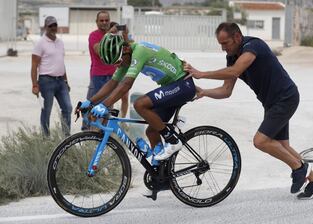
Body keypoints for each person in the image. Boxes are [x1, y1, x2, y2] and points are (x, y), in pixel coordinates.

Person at [184, 22, 313, 199]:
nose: (223, 48)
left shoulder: (253, 45)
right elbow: (226, 91)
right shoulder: (231, 58)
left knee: (260, 141)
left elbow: (235, 71)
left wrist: (202, 73)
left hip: (285, 98)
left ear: (237, 37)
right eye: (220, 44)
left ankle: (300, 168)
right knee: (282, 145)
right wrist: (204, 92)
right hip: (271, 103)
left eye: (225, 43)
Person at [79, 28, 196, 161]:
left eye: (119, 61)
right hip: (172, 87)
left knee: (140, 104)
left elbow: (126, 84)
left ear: (126, 49)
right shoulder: (125, 56)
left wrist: (104, 105)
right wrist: (90, 102)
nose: (119, 65)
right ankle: (160, 172)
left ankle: (173, 140)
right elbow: (112, 83)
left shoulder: (140, 51)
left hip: (182, 84)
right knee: (151, 132)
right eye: (116, 63)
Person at [83, 11, 129, 131]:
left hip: (113, 75)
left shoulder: (115, 36)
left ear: (109, 21)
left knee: (107, 107)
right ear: (96, 22)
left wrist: (125, 36)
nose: (104, 23)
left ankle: (101, 134)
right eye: (101, 20)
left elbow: (125, 52)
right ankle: (88, 132)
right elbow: (99, 50)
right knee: (94, 106)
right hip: (98, 75)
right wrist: (109, 33)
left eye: (106, 20)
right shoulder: (94, 35)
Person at [31, 16, 72, 137]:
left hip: (61, 81)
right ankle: (46, 137)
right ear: (45, 27)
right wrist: (34, 85)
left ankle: (66, 137)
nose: (53, 28)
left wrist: (66, 81)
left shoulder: (60, 42)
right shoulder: (40, 43)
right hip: (46, 81)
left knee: (68, 108)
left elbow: (61, 63)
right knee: (46, 110)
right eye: (50, 26)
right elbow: (34, 66)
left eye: (55, 25)